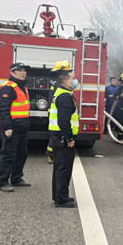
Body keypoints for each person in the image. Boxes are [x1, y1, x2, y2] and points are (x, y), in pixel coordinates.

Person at [0, 62, 31, 192]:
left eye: (24, 71)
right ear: (12, 73)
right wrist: (7, 127)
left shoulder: (22, 87)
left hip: (22, 127)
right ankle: (2, 181)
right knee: (8, 155)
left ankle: (16, 178)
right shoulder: (8, 88)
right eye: (20, 70)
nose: (23, 73)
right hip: (12, 128)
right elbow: (4, 110)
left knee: (22, 154)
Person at [48, 67, 79, 207]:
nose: (75, 80)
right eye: (73, 78)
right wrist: (70, 138)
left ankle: (60, 196)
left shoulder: (60, 92)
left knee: (60, 168)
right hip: (63, 139)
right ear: (66, 81)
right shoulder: (66, 96)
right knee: (64, 169)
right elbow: (64, 121)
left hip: (58, 138)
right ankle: (61, 199)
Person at [45, 60, 71, 163]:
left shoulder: (56, 82)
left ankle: (52, 154)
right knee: (56, 135)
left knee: (55, 135)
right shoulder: (59, 84)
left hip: (54, 112)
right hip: (57, 112)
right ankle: (51, 155)